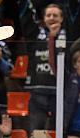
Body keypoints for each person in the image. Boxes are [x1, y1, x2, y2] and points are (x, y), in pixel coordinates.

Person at [17, 1, 64, 131]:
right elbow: (25, 15)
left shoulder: (68, 34)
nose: (52, 18)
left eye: (55, 15)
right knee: (37, 130)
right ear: (43, 19)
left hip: (60, 91)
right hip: (37, 91)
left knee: (59, 129)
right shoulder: (35, 33)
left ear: (62, 18)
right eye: (48, 15)